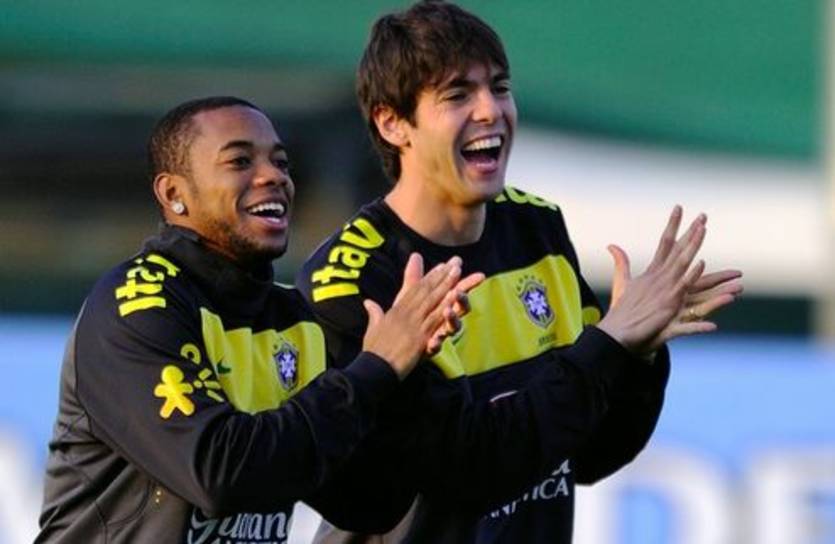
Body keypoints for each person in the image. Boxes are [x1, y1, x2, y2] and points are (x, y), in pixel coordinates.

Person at [297, 1, 743, 542]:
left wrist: (637, 356)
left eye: (500, 87)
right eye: (458, 95)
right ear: (393, 123)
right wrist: (608, 344)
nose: (491, 110)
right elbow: (469, 470)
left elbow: (586, 454)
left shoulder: (536, 227)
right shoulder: (352, 281)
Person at [35, 96, 481, 544]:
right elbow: (219, 472)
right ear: (173, 194)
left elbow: (369, 501)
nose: (274, 177)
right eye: (240, 161)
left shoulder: (292, 318)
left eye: (281, 162)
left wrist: (407, 371)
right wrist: (377, 366)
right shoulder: (137, 305)